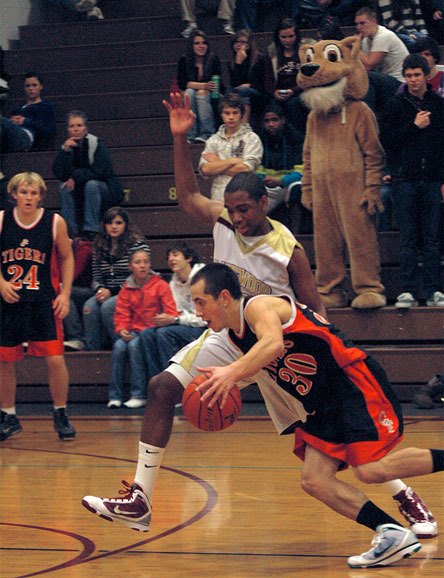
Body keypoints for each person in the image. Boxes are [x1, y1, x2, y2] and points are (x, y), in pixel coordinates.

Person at [81, 93, 436, 540]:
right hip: (230, 335)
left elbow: (317, 312)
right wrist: (178, 138)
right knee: (161, 387)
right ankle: (139, 499)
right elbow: (189, 196)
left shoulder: (287, 249)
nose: (237, 218)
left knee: (340, 435)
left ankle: (403, 493)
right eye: (231, 211)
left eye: (244, 210)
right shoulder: (225, 222)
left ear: (264, 204)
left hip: (280, 347)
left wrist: (319, 363)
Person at [187, 262, 443, 568]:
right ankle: (391, 532)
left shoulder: (259, 307)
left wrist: (230, 372)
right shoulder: (234, 336)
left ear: (224, 297)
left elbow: (272, 343)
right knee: (314, 479)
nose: (198, 312)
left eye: (201, 302)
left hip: (350, 381)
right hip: (323, 401)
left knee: (371, 470)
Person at [0, 172, 76, 441]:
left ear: (41, 196)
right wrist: (0, 282)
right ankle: (8, 415)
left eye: (34, 193)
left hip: (44, 299)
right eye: (24, 192)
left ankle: (60, 412)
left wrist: (65, 294)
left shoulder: (55, 222)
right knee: (4, 360)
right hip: (10, 301)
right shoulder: (2, 220)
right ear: (14, 194)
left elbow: (67, 259)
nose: (28, 197)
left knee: (55, 359)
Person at [379, 53, 444, 309]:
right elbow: (388, 142)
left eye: (417, 75)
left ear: (426, 76)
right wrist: (414, 126)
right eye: (409, 76)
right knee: (407, 237)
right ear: (404, 77)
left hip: (431, 180)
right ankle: (407, 290)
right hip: (404, 180)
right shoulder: (395, 106)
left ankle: (433, 290)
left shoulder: (438, 104)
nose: (413, 80)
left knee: (432, 238)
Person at [109, 248, 178, 409]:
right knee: (118, 347)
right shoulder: (126, 288)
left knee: (134, 346)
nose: (142, 266)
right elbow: (121, 313)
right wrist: (122, 329)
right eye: (138, 262)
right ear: (130, 266)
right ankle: (115, 396)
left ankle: (138, 394)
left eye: (146, 262)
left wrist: (163, 319)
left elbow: (171, 310)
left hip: (151, 330)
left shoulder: (160, 285)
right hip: (133, 330)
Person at [137, 241, 207, 384]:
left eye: (175, 255)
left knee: (164, 333)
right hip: (184, 325)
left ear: (188, 258)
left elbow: (204, 318)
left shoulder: (202, 278)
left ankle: (172, 385)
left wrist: (176, 320)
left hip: (205, 328)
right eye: (168, 256)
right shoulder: (173, 282)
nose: (171, 259)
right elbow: (174, 312)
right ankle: (156, 384)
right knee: (146, 334)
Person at [82, 207, 150, 350]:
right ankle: (93, 351)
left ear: (125, 225)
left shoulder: (136, 245)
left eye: (118, 223)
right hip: (105, 290)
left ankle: (120, 345)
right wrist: (100, 289)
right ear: (104, 225)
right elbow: (96, 276)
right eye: (110, 223)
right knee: (89, 307)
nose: (113, 227)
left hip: (132, 290)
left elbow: (138, 276)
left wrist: (111, 291)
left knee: (108, 306)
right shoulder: (99, 245)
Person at [52, 110, 124, 239]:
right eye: (72, 126)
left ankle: (91, 229)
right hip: (82, 192)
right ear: (68, 130)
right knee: (63, 187)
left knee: (91, 185)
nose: (75, 129)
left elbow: (99, 171)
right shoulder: (67, 147)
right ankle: (69, 231)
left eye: (79, 125)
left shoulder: (96, 144)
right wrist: (65, 151)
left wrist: (74, 177)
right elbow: (59, 173)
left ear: (85, 128)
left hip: (106, 190)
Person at [198, 93, 263, 201]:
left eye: (235, 113)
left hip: (244, 197)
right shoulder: (213, 140)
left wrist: (217, 162)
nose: (231, 117)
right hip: (218, 198)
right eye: (227, 113)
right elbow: (205, 169)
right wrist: (232, 161)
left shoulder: (252, 138)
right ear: (221, 114)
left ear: (241, 114)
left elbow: (246, 169)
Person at [256, 104, 306, 228]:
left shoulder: (296, 139)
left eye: (275, 120)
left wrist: (281, 181)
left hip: (289, 183)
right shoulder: (260, 139)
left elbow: (302, 171)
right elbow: (257, 168)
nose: (271, 124)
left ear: (283, 120)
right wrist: (263, 179)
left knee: (297, 188)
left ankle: (295, 237)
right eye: (267, 121)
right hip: (269, 186)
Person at [177, 29, 223, 143]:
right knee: (189, 93)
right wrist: (203, 85)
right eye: (197, 43)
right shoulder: (184, 60)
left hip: (213, 95)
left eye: (204, 43)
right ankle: (190, 134)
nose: (201, 46)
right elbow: (182, 83)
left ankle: (207, 133)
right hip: (192, 94)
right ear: (191, 46)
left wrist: (201, 87)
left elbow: (215, 84)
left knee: (200, 93)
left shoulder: (213, 59)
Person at [264, 18, 308, 135]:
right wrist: (274, 92)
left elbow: (309, 78)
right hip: (279, 92)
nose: (287, 40)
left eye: (291, 36)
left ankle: (299, 137)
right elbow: (268, 78)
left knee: (293, 104)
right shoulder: (272, 52)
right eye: (283, 37)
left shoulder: (304, 51)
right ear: (278, 37)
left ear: (296, 35)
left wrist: (293, 91)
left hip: (300, 91)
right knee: (272, 108)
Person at [0, 71, 56, 153]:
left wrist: (25, 121)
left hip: (26, 137)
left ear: (41, 86)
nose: (31, 88)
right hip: (10, 138)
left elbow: (49, 130)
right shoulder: (17, 108)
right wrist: (12, 122)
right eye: (27, 86)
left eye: (34, 85)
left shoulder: (45, 107)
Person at [226, 29, 269, 124]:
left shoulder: (260, 59)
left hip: (259, 93)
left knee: (243, 91)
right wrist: (238, 63)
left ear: (249, 44)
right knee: (228, 91)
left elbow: (264, 84)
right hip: (240, 91)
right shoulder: (233, 60)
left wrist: (250, 85)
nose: (238, 45)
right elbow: (234, 83)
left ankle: (244, 127)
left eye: (242, 42)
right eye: (236, 42)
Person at [355, 6, 410, 81]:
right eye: (357, 24)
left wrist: (355, 47)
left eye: (362, 23)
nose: (359, 27)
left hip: (399, 80)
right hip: (385, 78)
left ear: (374, 21)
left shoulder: (383, 36)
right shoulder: (366, 39)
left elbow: (369, 65)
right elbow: (364, 66)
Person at [63, 228, 93, 351]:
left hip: (88, 291)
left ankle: (77, 338)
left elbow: (72, 274)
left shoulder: (83, 248)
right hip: (70, 288)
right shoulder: (56, 249)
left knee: (65, 293)